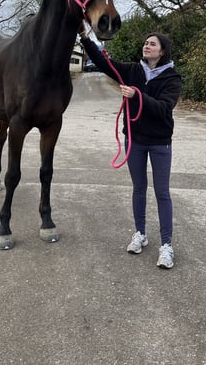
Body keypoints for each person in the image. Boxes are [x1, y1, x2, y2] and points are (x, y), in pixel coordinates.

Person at [79, 27, 182, 269]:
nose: (147, 46)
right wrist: (85, 39)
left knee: (162, 192)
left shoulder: (172, 79)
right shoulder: (133, 71)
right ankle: (140, 234)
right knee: (139, 188)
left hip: (159, 142)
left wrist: (137, 96)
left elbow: (164, 108)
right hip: (134, 140)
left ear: (163, 51)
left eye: (153, 44)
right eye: (146, 43)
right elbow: (105, 64)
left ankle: (166, 245)